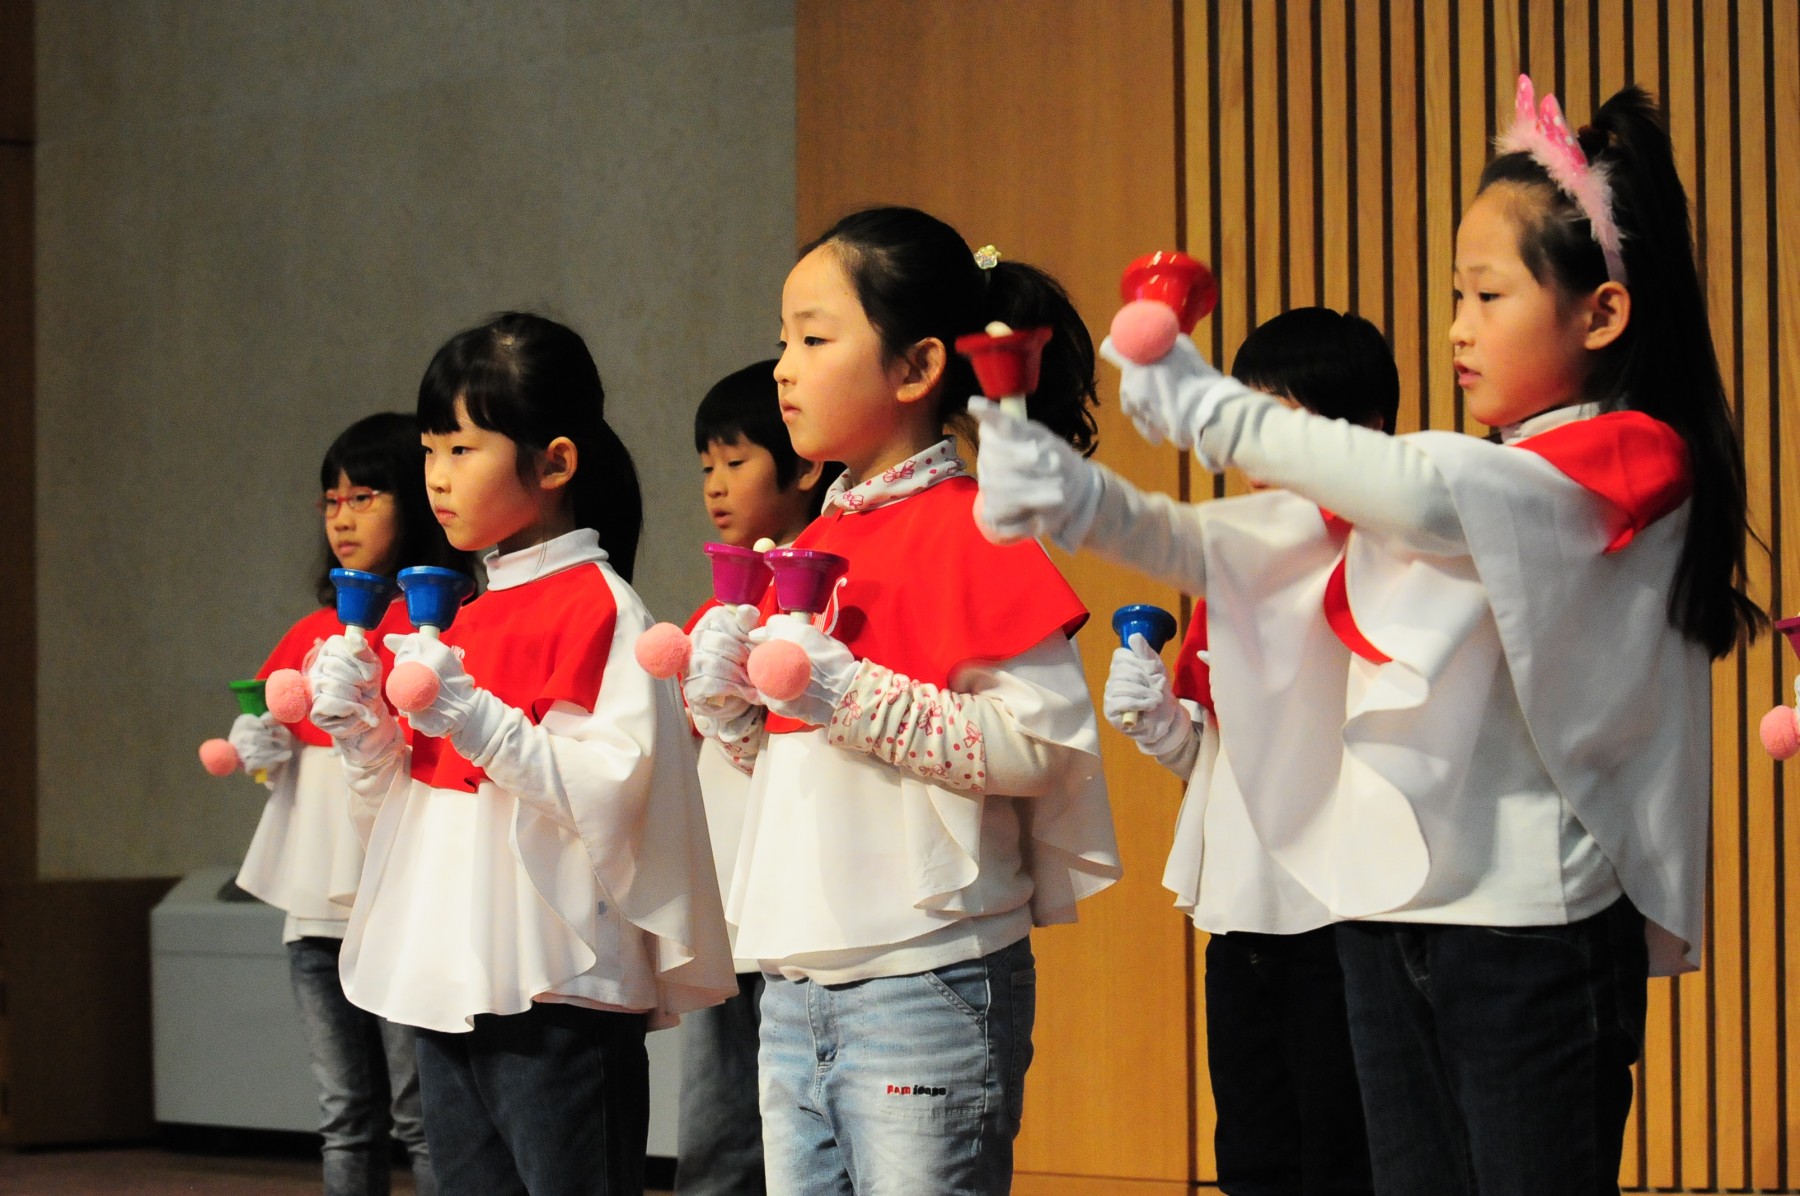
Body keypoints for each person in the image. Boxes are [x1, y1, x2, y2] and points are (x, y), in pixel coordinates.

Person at [974, 79, 1760, 1194]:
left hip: (1530, 931)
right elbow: (1237, 544)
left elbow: (1432, 495)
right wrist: (1075, 497)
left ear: (1602, 314)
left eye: (1487, 295)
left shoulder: (1625, 459)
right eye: (1454, 293)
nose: (1457, 326)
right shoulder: (1462, 474)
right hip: (1388, 920)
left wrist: (1208, 407)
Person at [681, 206, 1121, 1194]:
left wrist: (846, 692)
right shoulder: (816, 538)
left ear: (918, 367)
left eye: (814, 338)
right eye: (782, 340)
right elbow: (804, 766)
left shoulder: (974, 528)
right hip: (797, 975)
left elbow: (1040, 744)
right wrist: (732, 714)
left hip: (927, 973)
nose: (785, 366)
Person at [305, 312, 736, 1196]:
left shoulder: (601, 606)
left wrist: (470, 717)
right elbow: (416, 809)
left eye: (461, 449)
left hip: (559, 992)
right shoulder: (466, 608)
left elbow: (613, 795)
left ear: (554, 462)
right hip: (454, 974)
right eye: (429, 451)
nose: (436, 478)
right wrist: (365, 736)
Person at [1103, 308, 1391, 1195]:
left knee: (1344, 1157)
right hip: (1242, 914)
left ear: (1366, 434)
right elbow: (1217, 755)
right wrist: (1163, 725)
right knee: (1255, 1157)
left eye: (1284, 415)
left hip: (1346, 916)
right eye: (1248, 413)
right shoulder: (1230, 560)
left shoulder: (1389, 556)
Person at [225, 411, 465, 1196]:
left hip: (399, 905)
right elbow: (283, 756)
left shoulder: (431, 631)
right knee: (344, 1116)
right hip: (314, 914)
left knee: (421, 1112)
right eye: (331, 501)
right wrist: (263, 751)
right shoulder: (310, 631)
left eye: (365, 496)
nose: (342, 517)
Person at [675, 360, 837, 1196]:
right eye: (706, 466)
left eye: (736, 463)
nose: (716, 485)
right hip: (727, 907)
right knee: (715, 1134)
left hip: (799, 909)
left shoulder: (824, 601)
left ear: (805, 466)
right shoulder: (719, 611)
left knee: (796, 1134)